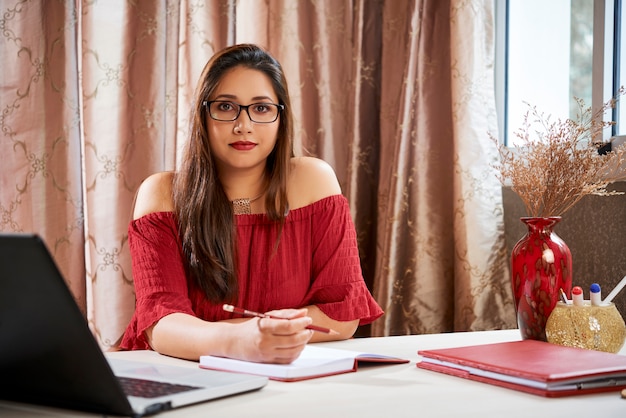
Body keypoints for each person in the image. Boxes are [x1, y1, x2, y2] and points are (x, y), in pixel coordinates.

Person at [120, 44, 383, 364]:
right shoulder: (161, 193)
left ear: (280, 118)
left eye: (261, 109)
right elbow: (161, 325)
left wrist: (244, 335)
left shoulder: (314, 180)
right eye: (226, 106)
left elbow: (341, 315)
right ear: (203, 115)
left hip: (287, 374)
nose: (243, 125)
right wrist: (243, 339)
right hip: (177, 372)